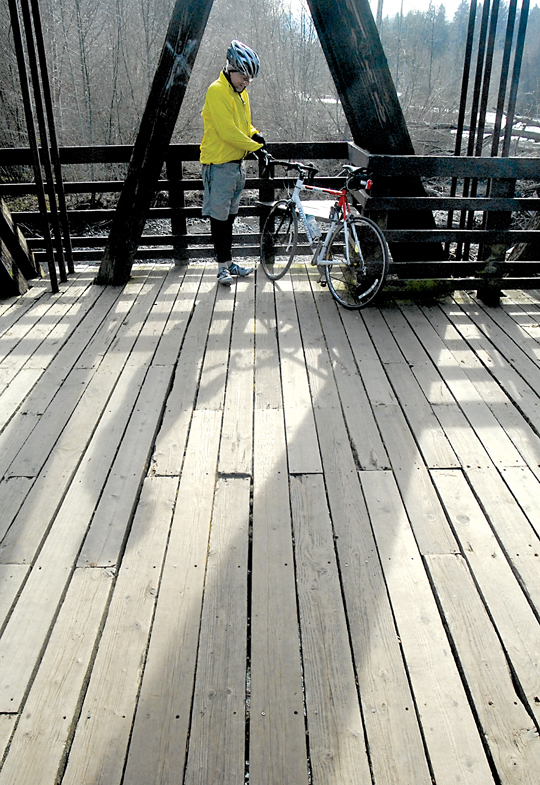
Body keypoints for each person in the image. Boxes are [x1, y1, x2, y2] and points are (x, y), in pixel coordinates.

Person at [200, 40, 266, 286]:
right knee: (219, 219)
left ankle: (228, 263)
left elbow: (242, 125)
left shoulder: (240, 93)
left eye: (249, 79)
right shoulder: (217, 91)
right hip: (218, 164)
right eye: (244, 77)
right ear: (231, 68)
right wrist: (256, 148)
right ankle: (221, 268)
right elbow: (227, 131)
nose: (246, 82)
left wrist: (255, 134)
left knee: (229, 218)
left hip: (237, 165)